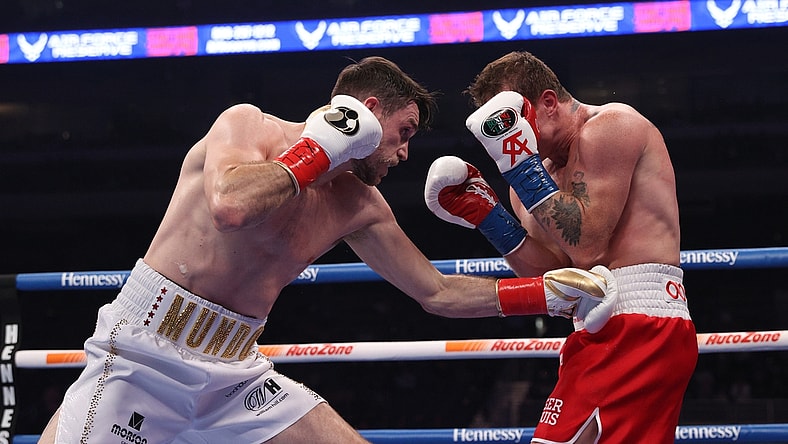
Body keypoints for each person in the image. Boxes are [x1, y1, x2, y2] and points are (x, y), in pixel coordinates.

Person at [38, 56, 618, 443]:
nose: (404, 154)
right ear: (367, 111)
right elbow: (229, 205)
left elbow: (437, 292)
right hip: (145, 356)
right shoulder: (251, 126)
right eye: (403, 132)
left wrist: (542, 292)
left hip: (234, 374)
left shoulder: (359, 205)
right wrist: (316, 153)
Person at [424, 50, 697, 443]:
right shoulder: (530, 181)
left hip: (642, 323)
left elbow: (587, 246)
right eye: (495, 128)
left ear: (548, 102)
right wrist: (489, 218)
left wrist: (521, 169)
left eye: (511, 120)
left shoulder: (611, 127)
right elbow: (551, 280)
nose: (506, 136)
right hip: (594, 328)